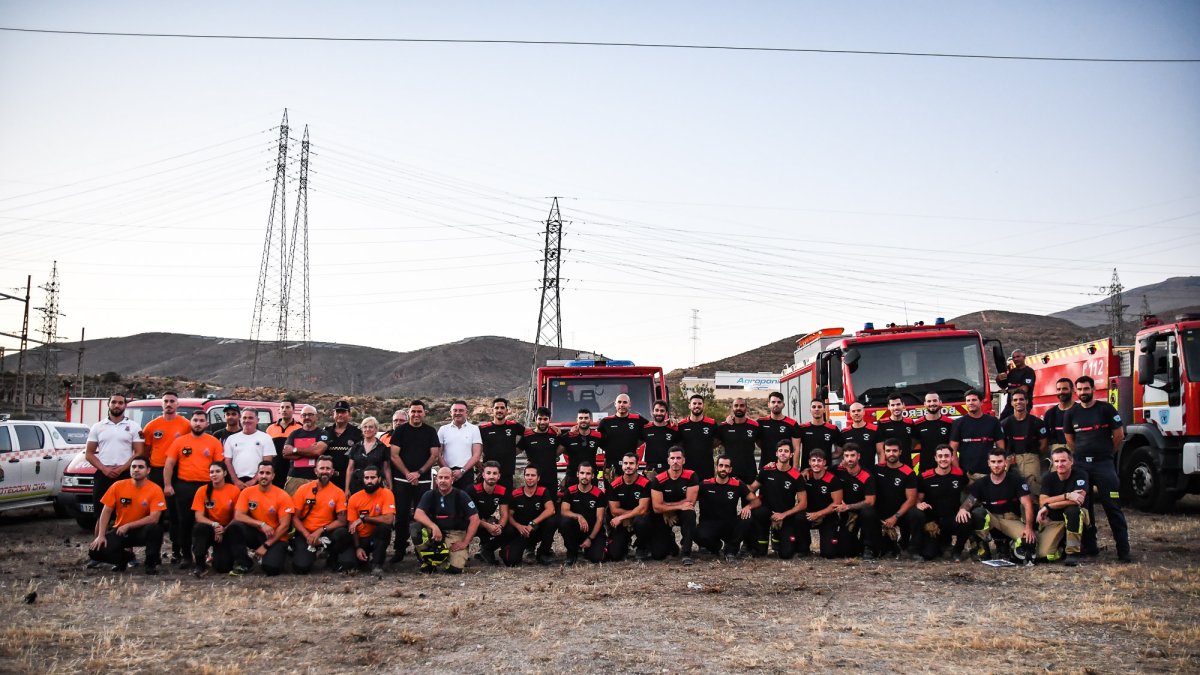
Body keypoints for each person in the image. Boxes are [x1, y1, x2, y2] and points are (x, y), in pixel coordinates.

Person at [1063, 375, 1131, 562]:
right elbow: (1070, 440)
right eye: (1080, 389)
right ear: (1076, 391)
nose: (1083, 392)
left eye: (1087, 389)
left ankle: (1123, 550)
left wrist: (1107, 453)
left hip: (1103, 464)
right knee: (1084, 506)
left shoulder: (1106, 409)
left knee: (1112, 507)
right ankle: (1089, 547)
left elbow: (1119, 435)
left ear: (1093, 389)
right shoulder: (1071, 413)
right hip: (1082, 465)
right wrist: (1081, 456)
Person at [163, 410, 225, 569]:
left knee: (205, 522)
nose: (198, 423)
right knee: (184, 522)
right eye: (195, 420)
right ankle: (186, 556)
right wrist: (168, 485)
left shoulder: (213, 442)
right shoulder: (180, 441)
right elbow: (169, 464)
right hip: (184, 486)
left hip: (206, 487)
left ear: (206, 423)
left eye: (201, 420)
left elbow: (219, 466)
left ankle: (205, 554)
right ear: (190, 422)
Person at [88, 456, 166, 574]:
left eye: (140, 467)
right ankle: (125, 559)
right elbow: (106, 511)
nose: (136, 470)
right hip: (120, 530)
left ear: (148, 470)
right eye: (133, 467)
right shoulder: (118, 486)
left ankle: (151, 563)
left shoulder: (155, 489)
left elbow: (154, 518)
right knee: (95, 551)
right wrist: (101, 535)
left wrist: (129, 525)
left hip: (141, 530)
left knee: (155, 529)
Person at [957, 448, 1036, 562]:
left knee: (1029, 543)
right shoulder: (981, 483)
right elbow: (969, 501)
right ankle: (982, 548)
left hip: (1010, 519)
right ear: (988, 463)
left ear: (1005, 462)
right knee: (977, 513)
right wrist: (963, 509)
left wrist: (1029, 528)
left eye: (999, 461)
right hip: (991, 518)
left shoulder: (1016, 480)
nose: (996, 465)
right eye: (993, 462)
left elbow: (1027, 504)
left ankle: (1009, 544)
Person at [84, 393, 145, 541]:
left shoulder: (133, 426)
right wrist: (104, 469)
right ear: (108, 404)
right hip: (103, 474)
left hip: (125, 474)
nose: (117, 405)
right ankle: (98, 552)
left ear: (125, 406)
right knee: (101, 514)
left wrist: (123, 468)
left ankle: (128, 554)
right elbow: (89, 453)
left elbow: (140, 452)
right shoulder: (98, 427)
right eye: (114, 402)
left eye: (120, 403)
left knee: (126, 515)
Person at [389, 400, 441, 563]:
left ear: (424, 413)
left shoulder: (430, 431)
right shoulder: (400, 431)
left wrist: (418, 473)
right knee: (402, 516)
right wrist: (407, 474)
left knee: (423, 515)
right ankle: (399, 549)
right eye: (413, 411)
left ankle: (422, 549)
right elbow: (394, 455)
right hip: (401, 479)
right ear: (409, 413)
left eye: (419, 411)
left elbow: (434, 455)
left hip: (423, 480)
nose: (416, 414)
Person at [142, 391, 190, 563]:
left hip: (177, 472)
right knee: (157, 515)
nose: (169, 404)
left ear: (178, 405)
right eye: (166, 401)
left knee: (176, 515)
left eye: (172, 401)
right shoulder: (151, 426)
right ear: (161, 404)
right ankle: (153, 554)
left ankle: (177, 552)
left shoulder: (185, 425)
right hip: (156, 472)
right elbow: (146, 452)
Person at [290, 455, 354, 574]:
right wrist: (307, 535)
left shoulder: (338, 492)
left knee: (342, 534)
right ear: (316, 470)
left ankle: (332, 555)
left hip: (326, 533)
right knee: (301, 567)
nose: (325, 471)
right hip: (306, 533)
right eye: (322, 468)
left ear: (332, 472)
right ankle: (306, 553)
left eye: (328, 469)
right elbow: (294, 517)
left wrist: (320, 530)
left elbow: (341, 521)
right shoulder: (303, 489)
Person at [229, 461, 294, 576]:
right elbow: (238, 515)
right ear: (257, 475)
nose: (264, 476)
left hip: (276, 536)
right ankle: (244, 563)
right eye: (261, 472)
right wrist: (261, 524)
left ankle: (283, 555)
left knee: (271, 569)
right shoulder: (247, 492)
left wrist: (266, 545)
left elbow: (285, 526)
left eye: (268, 473)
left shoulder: (282, 496)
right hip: (257, 532)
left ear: (273, 476)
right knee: (235, 527)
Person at [412, 466, 481, 574]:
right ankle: (427, 561)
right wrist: (434, 527)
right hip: (435, 533)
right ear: (436, 480)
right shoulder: (429, 494)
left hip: (455, 534)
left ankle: (445, 559)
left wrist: (465, 542)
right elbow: (418, 514)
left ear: (452, 479)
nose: (443, 481)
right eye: (440, 478)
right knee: (415, 529)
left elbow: (475, 519)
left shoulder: (461, 495)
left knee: (455, 570)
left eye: (446, 478)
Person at [748, 441, 808, 559]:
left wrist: (783, 515)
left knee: (786, 554)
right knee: (759, 553)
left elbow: (803, 504)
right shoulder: (766, 470)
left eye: (786, 451)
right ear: (776, 453)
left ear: (791, 454)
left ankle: (777, 535)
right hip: (766, 513)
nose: (783, 454)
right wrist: (737, 485)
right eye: (780, 451)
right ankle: (761, 540)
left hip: (785, 515)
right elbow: (751, 489)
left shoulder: (796, 476)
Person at [912, 445, 971, 561]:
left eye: (946, 456)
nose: (943, 459)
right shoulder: (925, 476)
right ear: (935, 458)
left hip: (953, 517)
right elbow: (918, 498)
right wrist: (918, 504)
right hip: (934, 522)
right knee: (928, 555)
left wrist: (964, 508)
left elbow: (971, 492)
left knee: (967, 520)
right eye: (940, 456)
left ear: (952, 458)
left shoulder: (959, 474)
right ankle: (942, 544)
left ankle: (957, 551)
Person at [696, 454, 758, 561]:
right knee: (695, 533)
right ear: (716, 467)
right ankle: (717, 547)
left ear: (730, 469)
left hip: (729, 524)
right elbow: (690, 500)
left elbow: (756, 501)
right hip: (710, 524)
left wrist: (748, 506)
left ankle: (731, 550)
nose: (723, 469)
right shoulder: (705, 485)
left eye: (726, 466)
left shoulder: (737, 484)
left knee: (747, 518)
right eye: (721, 465)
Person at [1036, 448, 1091, 566]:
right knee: (1043, 555)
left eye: (1063, 461)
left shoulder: (1081, 475)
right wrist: (1067, 496)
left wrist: (1049, 507)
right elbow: (1042, 502)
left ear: (1071, 462)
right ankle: (1061, 546)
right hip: (1055, 519)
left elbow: (1078, 501)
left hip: (1076, 515)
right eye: (1056, 461)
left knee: (1072, 511)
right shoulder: (1048, 478)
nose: (1059, 464)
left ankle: (1072, 553)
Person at [649, 447, 701, 565]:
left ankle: (686, 552)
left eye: (678, 458)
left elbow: (690, 502)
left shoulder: (691, 475)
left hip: (683, 512)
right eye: (672, 458)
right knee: (658, 555)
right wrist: (674, 507)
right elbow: (657, 507)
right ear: (668, 461)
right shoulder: (658, 479)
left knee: (690, 513)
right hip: (664, 514)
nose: (675, 461)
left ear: (684, 460)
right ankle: (671, 543)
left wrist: (667, 505)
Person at [190, 462, 240, 577]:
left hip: (227, 528)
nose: (214, 474)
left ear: (225, 473)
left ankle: (224, 557)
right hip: (209, 527)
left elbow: (237, 516)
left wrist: (224, 529)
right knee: (199, 528)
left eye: (218, 471)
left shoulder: (234, 490)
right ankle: (200, 565)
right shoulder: (202, 490)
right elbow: (199, 517)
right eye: (211, 472)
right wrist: (215, 525)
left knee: (223, 568)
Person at [872, 439, 919, 558]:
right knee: (882, 551)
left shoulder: (908, 472)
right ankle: (873, 545)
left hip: (900, 514)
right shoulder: (876, 469)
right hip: (881, 515)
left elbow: (911, 499)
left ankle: (910, 547)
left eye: (894, 451)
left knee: (916, 514)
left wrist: (895, 517)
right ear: (884, 452)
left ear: (900, 452)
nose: (891, 454)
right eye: (888, 451)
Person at [346, 465, 396, 575]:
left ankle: (377, 564)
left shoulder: (387, 494)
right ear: (363, 479)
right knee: (349, 564)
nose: (369, 481)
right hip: (361, 538)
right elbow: (352, 526)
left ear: (379, 479)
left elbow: (389, 519)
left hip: (377, 536)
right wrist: (358, 547)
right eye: (366, 478)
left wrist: (364, 519)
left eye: (372, 478)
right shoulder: (354, 498)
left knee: (384, 528)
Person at [503, 465, 557, 566]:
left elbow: (551, 510)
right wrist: (518, 526)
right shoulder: (516, 493)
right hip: (522, 531)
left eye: (533, 475)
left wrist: (532, 524)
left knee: (552, 521)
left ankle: (543, 553)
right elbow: (508, 515)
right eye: (527, 475)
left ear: (538, 478)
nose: (530, 478)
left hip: (537, 528)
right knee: (512, 562)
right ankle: (510, 548)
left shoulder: (543, 491)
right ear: (524, 477)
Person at [833, 442, 878, 559]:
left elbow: (870, 501)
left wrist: (848, 507)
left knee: (868, 512)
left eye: (852, 455)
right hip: (847, 514)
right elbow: (820, 469)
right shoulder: (838, 470)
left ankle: (869, 547)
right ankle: (857, 546)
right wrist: (807, 470)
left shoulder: (867, 476)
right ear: (843, 457)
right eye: (846, 456)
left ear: (858, 456)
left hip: (862, 511)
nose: (849, 459)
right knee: (844, 551)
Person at [606, 452, 652, 562]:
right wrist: (627, 517)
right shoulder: (614, 484)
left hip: (639, 521)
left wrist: (623, 517)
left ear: (637, 466)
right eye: (625, 463)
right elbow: (614, 510)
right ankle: (625, 544)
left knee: (641, 520)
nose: (628, 466)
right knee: (615, 555)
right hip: (623, 523)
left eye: (631, 463)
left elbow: (642, 509)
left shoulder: (645, 483)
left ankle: (641, 547)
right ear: (622, 465)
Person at [949, 390, 1004, 479]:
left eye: (974, 400)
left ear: (981, 402)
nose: (971, 403)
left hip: (989, 474)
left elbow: (1000, 446)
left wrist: (998, 469)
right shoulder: (958, 423)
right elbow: (953, 449)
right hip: (967, 474)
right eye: (968, 400)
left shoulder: (993, 421)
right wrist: (958, 472)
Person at [559, 462, 606, 565]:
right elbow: (564, 511)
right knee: (564, 521)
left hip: (593, 531)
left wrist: (590, 539)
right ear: (577, 474)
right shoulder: (570, 491)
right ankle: (572, 553)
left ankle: (588, 548)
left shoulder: (599, 494)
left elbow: (599, 519)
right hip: (576, 529)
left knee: (596, 558)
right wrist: (578, 516)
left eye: (588, 474)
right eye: (582, 473)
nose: (585, 476)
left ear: (593, 476)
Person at [1001, 391, 1047, 496]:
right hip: (1010, 460)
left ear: (1026, 401)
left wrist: (1034, 457)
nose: (1018, 402)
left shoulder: (1037, 422)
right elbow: (1001, 444)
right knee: (1010, 489)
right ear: (1012, 403)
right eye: (1015, 400)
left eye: (1021, 399)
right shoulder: (1004, 424)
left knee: (1034, 490)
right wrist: (1007, 457)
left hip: (1031, 458)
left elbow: (1044, 444)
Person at [803, 449, 844, 558]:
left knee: (829, 554)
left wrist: (819, 514)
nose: (816, 463)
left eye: (819, 461)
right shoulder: (805, 477)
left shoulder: (833, 480)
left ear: (824, 463)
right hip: (809, 515)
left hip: (827, 516)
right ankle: (804, 548)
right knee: (798, 518)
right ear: (809, 462)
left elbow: (836, 503)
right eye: (814, 460)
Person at [469, 461, 511, 566]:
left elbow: (504, 514)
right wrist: (488, 526)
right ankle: (462, 551)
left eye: (494, 473)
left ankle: (487, 549)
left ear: (499, 476)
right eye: (488, 473)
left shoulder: (503, 490)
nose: (491, 476)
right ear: (483, 475)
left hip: (487, 521)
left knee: (509, 529)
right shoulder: (472, 490)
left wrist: (499, 527)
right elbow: (470, 517)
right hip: (471, 522)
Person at [282, 405, 330, 495]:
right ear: (300, 417)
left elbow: (317, 451)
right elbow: (286, 453)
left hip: (314, 477)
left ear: (316, 416)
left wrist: (295, 450)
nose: (307, 417)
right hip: (294, 477)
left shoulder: (322, 433)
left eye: (310, 415)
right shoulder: (294, 434)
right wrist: (310, 450)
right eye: (304, 415)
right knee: (292, 506)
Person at [224, 408, 277, 488]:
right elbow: (227, 461)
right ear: (240, 419)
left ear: (257, 420)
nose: (247, 420)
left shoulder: (266, 438)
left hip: (258, 481)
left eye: (250, 418)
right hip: (236, 482)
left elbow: (267, 462)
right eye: (244, 418)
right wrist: (235, 480)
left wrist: (254, 480)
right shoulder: (231, 438)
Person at [479, 398, 525, 488]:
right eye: (496, 408)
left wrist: (517, 449)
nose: (499, 410)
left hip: (507, 473)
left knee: (506, 501)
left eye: (502, 408)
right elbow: (473, 445)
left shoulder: (514, 426)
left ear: (507, 410)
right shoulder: (483, 428)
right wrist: (478, 461)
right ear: (492, 410)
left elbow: (530, 434)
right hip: (489, 474)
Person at [438, 400, 482, 490]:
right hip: (447, 474)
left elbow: (476, 455)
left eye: (461, 410)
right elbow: (438, 454)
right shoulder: (443, 429)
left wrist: (462, 471)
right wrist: (448, 471)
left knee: (465, 502)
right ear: (451, 412)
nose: (458, 413)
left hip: (466, 473)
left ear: (466, 412)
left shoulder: (474, 429)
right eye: (455, 410)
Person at [598, 393, 648, 475]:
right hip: (611, 465)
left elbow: (653, 428)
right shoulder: (605, 422)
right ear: (615, 404)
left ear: (629, 404)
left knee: (630, 487)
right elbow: (597, 439)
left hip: (630, 464)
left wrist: (668, 422)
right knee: (610, 487)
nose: (622, 405)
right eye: (619, 402)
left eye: (625, 402)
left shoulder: (638, 419)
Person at [345, 416, 392, 495]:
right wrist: (346, 489)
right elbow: (350, 469)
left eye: (371, 427)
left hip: (375, 486)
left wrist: (390, 486)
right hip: (357, 486)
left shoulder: (383, 447)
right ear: (362, 429)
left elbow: (386, 469)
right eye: (365, 427)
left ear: (376, 430)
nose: (367, 429)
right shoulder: (356, 447)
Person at [677, 394, 719, 480]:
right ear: (689, 406)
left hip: (707, 468)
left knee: (706, 492)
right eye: (694, 403)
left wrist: (705, 447)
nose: (697, 406)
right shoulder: (681, 425)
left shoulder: (712, 423)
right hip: (687, 467)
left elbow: (718, 441)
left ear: (703, 406)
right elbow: (678, 444)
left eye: (699, 404)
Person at [518, 407, 561, 492]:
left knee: (551, 505)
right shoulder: (527, 436)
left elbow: (567, 449)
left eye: (545, 419)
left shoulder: (555, 435)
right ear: (535, 419)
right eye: (540, 419)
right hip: (533, 481)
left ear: (549, 419)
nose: (542, 422)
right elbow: (513, 452)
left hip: (551, 481)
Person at [717, 398, 760, 483]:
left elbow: (761, 444)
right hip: (730, 470)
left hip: (749, 470)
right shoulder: (724, 426)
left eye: (742, 405)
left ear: (746, 408)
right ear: (732, 408)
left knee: (749, 496)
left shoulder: (754, 426)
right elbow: (716, 443)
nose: (738, 408)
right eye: (736, 405)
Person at [756, 392, 801, 471]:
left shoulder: (792, 424)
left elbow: (796, 448)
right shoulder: (761, 422)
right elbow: (757, 440)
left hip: (786, 468)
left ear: (783, 405)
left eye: (779, 402)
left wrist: (795, 469)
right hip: (766, 467)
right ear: (768, 404)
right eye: (773, 402)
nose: (776, 404)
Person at [559, 409, 602, 488]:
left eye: (586, 418)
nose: (583, 420)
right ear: (577, 420)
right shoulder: (568, 437)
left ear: (590, 420)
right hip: (572, 478)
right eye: (581, 418)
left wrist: (603, 473)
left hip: (591, 478)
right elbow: (553, 453)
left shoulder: (598, 436)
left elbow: (610, 450)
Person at [323, 400, 363, 485]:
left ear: (349, 415)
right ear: (333, 414)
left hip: (348, 478)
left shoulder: (357, 433)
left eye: (343, 412)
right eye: (337, 412)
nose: (340, 415)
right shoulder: (325, 432)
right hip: (328, 477)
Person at [912, 392, 954, 473]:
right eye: (929, 401)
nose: (932, 403)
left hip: (946, 467)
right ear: (925, 404)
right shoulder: (917, 424)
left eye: (935, 401)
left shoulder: (950, 423)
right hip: (926, 467)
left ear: (940, 403)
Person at [265, 399, 302, 487]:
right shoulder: (271, 428)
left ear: (293, 410)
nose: (284, 409)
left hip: (292, 471)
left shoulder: (299, 428)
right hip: (274, 470)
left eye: (287, 407)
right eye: (282, 407)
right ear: (279, 410)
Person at [797, 400, 842, 466]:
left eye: (819, 407)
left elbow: (839, 452)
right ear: (810, 410)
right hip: (806, 470)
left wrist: (826, 457)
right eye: (814, 407)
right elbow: (795, 449)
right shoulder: (802, 428)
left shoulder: (833, 429)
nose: (817, 409)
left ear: (824, 410)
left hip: (826, 470)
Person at [874, 395, 915, 466]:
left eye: (898, 404)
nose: (896, 407)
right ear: (888, 407)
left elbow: (915, 439)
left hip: (907, 464)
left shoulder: (910, 422)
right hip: (889, 465)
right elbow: (880, 447)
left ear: (903, 405)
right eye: (892, 405)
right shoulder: (882, 424)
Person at [641, 399, 678, 477]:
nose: (659, 413)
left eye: (662, 411)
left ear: (666, 413)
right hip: (650, 468)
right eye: (656, 410)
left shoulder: (673, 428)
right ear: (652, 412)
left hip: (668, 468)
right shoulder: (645, 428)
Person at [997, 349, 1036, 419]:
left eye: (1018, 356)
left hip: (1023, 406)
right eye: (1014, 358)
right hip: (1010, 406)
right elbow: (1003, 386)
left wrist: (1007, 391)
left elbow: (1024, 389)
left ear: (1024, 357)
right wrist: (999, 378)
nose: (1016, 359)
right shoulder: (1011, 372)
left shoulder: (1029, 372)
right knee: (1001, 423)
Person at [1041, 378, 1078, 450]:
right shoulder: (1050, 413)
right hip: (1056, 454)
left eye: (1065, 389)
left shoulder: (1079, 411)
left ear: (1072, 390)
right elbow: (1046, 438)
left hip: (1076, 453)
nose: (1061, 392)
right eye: (1058, 389)